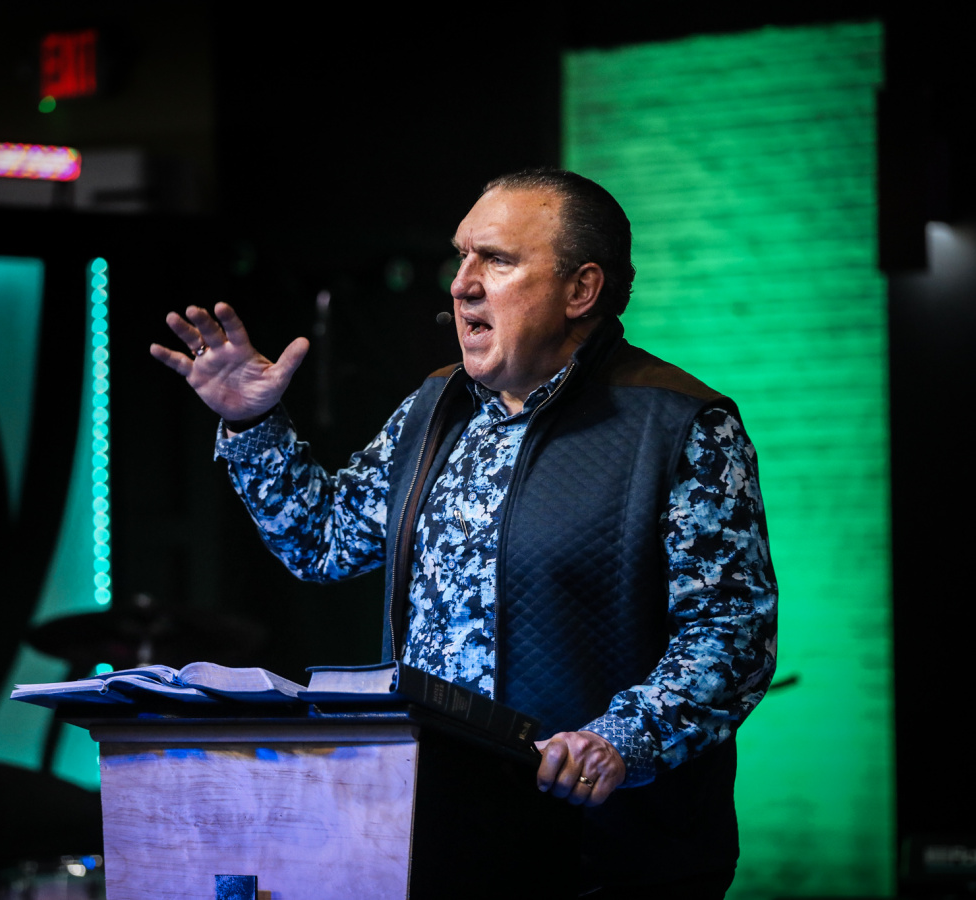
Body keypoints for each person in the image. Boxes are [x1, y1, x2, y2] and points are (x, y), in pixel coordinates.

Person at [151, 169, 777, 897]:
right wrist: (254, 422)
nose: (462, 284)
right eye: (462, 256)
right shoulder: (435, 406)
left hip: (604, 856)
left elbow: (731, 636)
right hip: (432, 834)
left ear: (581, 290)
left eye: (497, 260)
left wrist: (618, 740)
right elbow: (324, 543)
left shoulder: (680, 424)